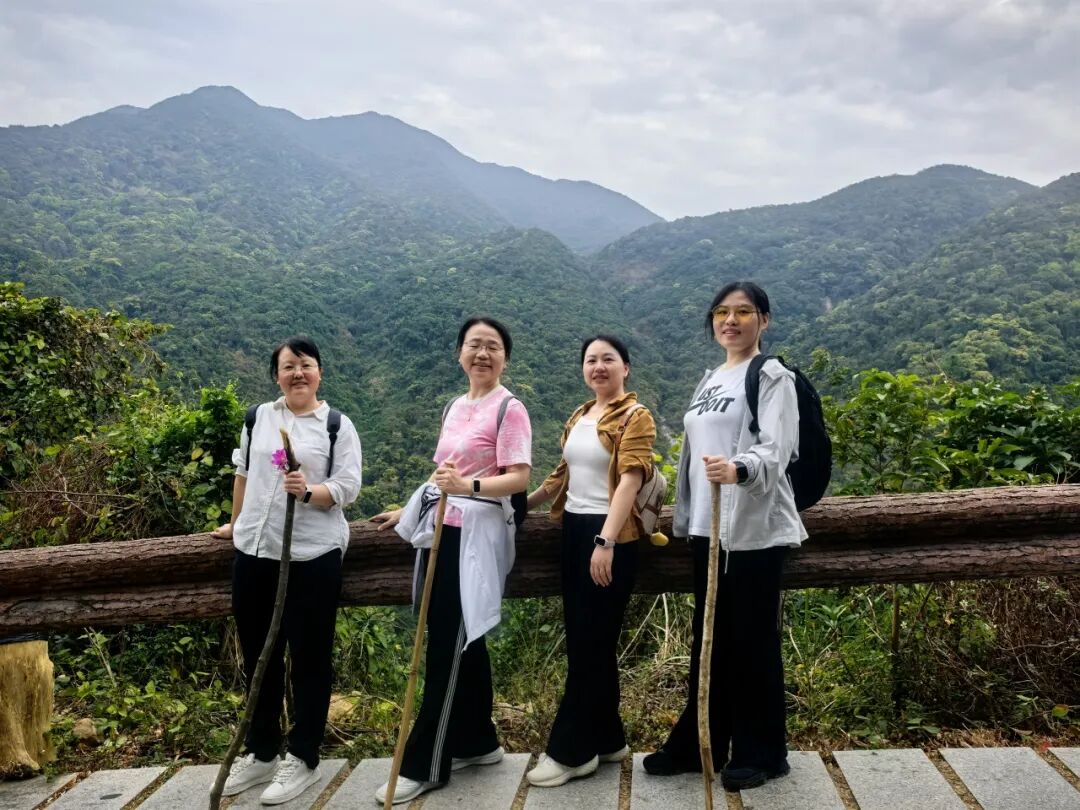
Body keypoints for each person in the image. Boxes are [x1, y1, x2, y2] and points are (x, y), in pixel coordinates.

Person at [643, 281, 807, 792]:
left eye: (743, 312)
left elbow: (778, 448)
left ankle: (764, 752)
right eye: (721, 312)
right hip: (706, 526)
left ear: (764, 319)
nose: (730, 320)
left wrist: (739, 468)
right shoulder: (711, 378)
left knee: (752, 641)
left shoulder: (772, 375)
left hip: (752, 531)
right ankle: (701, 743)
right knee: (709, 638)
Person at [371, 317, 531, 805]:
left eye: (493, 346)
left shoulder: (509, 408)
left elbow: (519, 478)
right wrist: (409, 507)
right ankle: (478, 742)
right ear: (460, 353)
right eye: (474, 345)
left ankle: (425, 763)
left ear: (505, 358)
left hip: (474, 541)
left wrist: (469, 486)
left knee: (445, 647)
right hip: (442, 529)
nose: (482, 353)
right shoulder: (455, 406)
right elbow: (442, 473)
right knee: (461, 639)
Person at [212, 336, 362, 805]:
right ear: (276, 375)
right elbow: (242, 474)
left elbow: (347, 487)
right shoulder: (259, 417)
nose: (298, 373)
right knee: (259, 654)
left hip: (312, 556)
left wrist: (309, 492)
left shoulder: (337, 426)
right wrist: (236, 523)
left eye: (306, 365)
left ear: (320, 372)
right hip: (255, 551)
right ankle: (262, 752)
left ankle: (303, 756)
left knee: (310, 658)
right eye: (288, 366)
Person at [525, 335, 656, 787]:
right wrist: (522, 505)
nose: (598, 366)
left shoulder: (636, 416)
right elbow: (561, 476)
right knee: (587, 641)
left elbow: (630, 481)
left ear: (626, 368)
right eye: (591, 360)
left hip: (609, 535)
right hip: (574, 532)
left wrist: (607, 540)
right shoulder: (580, 415)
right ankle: (607, 738)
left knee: (590, 644)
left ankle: (572, 752)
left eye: (608, 359)